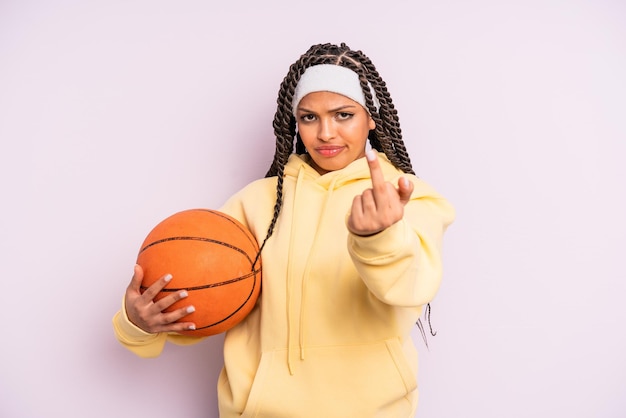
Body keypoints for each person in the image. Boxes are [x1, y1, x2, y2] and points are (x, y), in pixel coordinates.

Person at [113, 42, 455, 417]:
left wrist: (378, 238)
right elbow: (212, 299)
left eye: (343, 115)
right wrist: (140, 323)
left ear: (370, 118)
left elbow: (412, 286)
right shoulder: (256, 203)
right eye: (309, 117)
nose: (325, 133)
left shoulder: (408, 197)